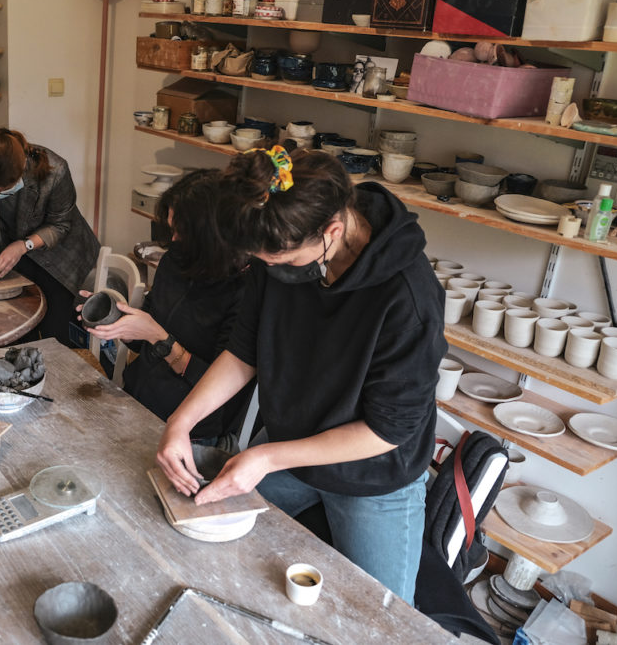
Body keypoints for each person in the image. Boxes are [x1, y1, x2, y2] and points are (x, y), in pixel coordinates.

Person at [156, 147, 446, 602]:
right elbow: (243, 350)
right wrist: (181, 422)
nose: (273, 271)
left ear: (332, 231)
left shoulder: (407, 297)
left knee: (383, 619)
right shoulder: (278, 233)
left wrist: (268, 458)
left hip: (371, 475)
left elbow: (389, 429)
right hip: (291, 448)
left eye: (286, 262)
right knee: (204, 542)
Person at [84, 170, 252, 448]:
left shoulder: (244, 291)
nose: (173, 240)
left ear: (214, 234)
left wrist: (158, 338)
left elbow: (218, 385)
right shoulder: (177, 259)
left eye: (182, 232)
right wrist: (121, 324)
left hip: (191, 429)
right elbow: (144, 337)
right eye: (173, 228)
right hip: (137, 397)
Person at [0, 128, 101, 345]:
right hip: (9, 249)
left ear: (22, 169)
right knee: (15, 325)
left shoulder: (55, 171)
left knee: (56, 334)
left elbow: (60, 224)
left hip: (60, 257)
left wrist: (24, 245)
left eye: (2, 190)